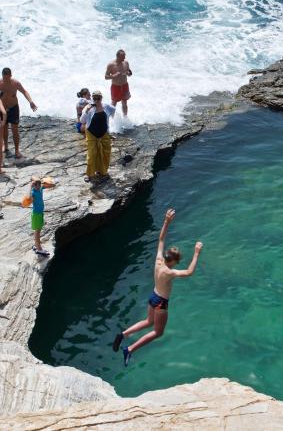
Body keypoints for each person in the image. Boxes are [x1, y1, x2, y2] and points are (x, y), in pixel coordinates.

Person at [112, 208, 203, 366]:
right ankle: (130, 349)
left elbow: (161, 240)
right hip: (161, 302)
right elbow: (189, 272)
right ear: (173, 261)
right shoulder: (170, 272)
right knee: (158, 332)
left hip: (153, 296)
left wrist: (167, 221)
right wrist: (196, 253)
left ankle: (123, 334)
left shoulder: (158, 260)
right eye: (177, 261)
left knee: (148, 321)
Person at [0, 67, 38, 159]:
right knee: (4, 128)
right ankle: (5, 146)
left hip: (13, 108)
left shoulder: (15, 83)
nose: (6, 80)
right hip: (2, 109)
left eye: (8, 78)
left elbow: (24, 91)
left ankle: (17, 150)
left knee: (15, 129)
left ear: (11, 76)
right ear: (2, 76)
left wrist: (30, 101)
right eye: (4, 78)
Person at [80, 90, 116, 182]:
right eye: (94, 98)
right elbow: (82, 120)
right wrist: (87, 111)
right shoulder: (88, 107)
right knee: (92, 155)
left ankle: (102, 172)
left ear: (101, 98)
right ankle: (90, 174)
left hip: (104, 134)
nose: (96, 100)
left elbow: (113, 109)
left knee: (105, 153)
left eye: (98, 98)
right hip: (92, 134)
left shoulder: (106, 106)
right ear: (92, 98)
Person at [105, 49, 132, 116]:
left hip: (125, 85)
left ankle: (125, 117)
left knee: (124, 102)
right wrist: (114, 76)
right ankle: (111, 119)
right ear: (118, 56)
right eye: (123, 56)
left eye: (124, 56)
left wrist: (128, 73)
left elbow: (130, 72)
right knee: (114, 103)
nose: (124, 58)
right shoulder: (111, 64)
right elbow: (106, 76)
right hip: (115, 86)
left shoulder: (126, 63)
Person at [28, 176, 49, 257]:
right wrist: (30, 186)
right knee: (37, 232)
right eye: (37, 185)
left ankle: (36, 245)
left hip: (40, 213)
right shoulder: (33, 192)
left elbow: (52, 185)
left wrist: (43, 181)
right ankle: (39, 249)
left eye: (40, 185)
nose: (39, 187)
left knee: (38, 231)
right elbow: (29, 198)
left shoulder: (40, 189)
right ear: (34, 185)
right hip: (36, 214)